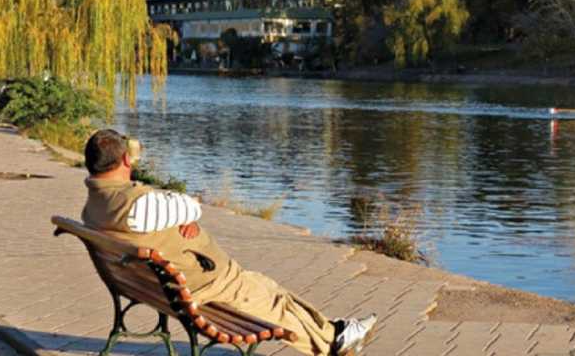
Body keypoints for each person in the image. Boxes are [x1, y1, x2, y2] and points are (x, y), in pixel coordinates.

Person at [81, 130, 376, 356]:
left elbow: (166, 209)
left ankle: (335, 330)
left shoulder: (97, 203)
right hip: (206, 287)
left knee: (268, 288)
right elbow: (191, 206)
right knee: (274, 301)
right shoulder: (136, 206)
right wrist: (180, 210)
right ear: (125, 160)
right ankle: (333, 341)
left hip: (163, 287)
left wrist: (172, 212)